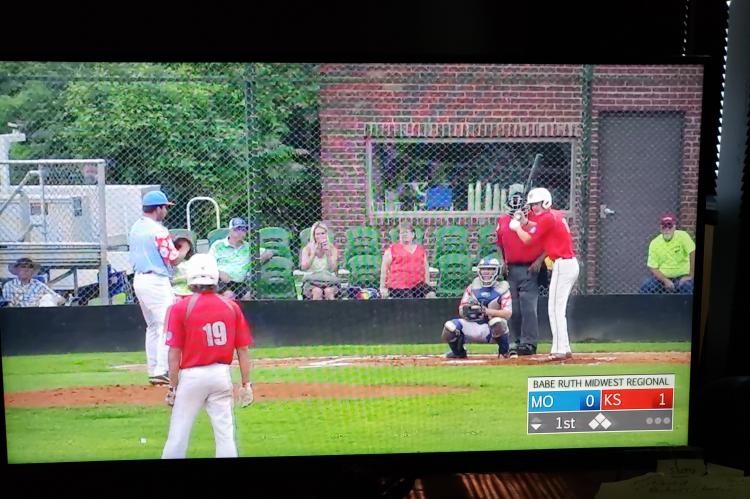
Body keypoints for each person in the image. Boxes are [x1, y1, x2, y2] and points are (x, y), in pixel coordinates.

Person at [161, 254, 254, 459]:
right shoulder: (231, 306)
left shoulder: (179, 308)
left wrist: (172, 386)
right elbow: (243, 350)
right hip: (221, 374)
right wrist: (246, 384)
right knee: (225, 435)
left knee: (178, 434)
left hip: (192, 376)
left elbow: (174, 353)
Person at [129, 190, 191, 385]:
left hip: (140, 278)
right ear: (158, 208)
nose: (166, 210)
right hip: (156, 280)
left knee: (153, 327)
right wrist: (185, 248)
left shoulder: (136, 227)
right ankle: (162, 369)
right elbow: (173, 259)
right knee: (167, 324)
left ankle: (154, 369)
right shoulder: (158, 230)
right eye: (165, 207)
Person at [509, 187, 578, 361]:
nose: (534, 208)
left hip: (563, 264)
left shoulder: (547, 218)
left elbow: (527, 240)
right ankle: (564, 346)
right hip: (566, 264)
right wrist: (525, 222)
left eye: (537, 204)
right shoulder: (554, 215)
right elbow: (538, 228)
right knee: (556, 308)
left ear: (545, 202)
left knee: (555, 309)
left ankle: (560, 348)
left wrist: (517, 227)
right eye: (532, 205)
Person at [496, 192, 547, 357]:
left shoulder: (535, 220)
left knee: (528, 308)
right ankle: (514, 341)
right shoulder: (502, 221)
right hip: (511, 269)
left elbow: (547, 243)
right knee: (513, 308)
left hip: (530, 268)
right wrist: (502, 261)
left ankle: (529, 343)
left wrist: (539, 261)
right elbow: (499, 243)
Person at [441, 257, 512, 359]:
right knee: (449, 327)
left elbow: (507, 313)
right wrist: (469, 312)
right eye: (484, 269)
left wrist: (486, 311)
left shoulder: (503, 288)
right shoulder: (472, 287)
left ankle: (504, 352)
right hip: (473, 324)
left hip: (490, 329)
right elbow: (461, 309)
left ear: (497, 271)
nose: (486, 272)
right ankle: (458, 352)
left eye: (490, 269)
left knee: (498, 322)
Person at [208, 217, 274, 301]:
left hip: (239, 282)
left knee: (248, 297)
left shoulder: (248, 246)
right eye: (237, 229)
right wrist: (219, 272)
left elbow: (269, 252)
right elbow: (207, 263)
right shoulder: (218, 245)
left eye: (243, 229)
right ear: (230, 230)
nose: (240, 232)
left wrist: (257, 261)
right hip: (220, 281)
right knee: (229, 296)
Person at [640, 213, 695, 294]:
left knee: (688, 287)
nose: (667, 229)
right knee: (646, 285)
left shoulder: (683, 236)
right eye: (664, 226)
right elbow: (653, 267)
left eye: (670, 226)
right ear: (660, 229)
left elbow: (693, 252)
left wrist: (691, 275)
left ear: (674, 227)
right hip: (662, 279)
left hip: (682, 277)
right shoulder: (654, 243)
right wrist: (665, 280)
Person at [380, 222, 436, 299]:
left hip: (417, 285)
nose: (404, 235)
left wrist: (427, 284)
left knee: (431, 294)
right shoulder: (391, 250)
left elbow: (426, 269)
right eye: (401, 233)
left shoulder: (420, 250)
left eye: (406, 232)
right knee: (408, 299)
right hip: (399, 287)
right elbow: (384, 269)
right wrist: (382, 287)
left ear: (413, 235)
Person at [299, 221, 340, 300]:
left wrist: (328, 254)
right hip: (312, 281)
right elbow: (304, 267)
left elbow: (333, 269)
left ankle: (333, 312)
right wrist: (313, 254)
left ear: (326, 234)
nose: (321, 236)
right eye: (317, 234)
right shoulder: (307, 249)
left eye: (323, 233)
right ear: (313, 236)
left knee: (328, 291)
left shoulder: (332, 249)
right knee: (317, 291)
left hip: (328, 281)